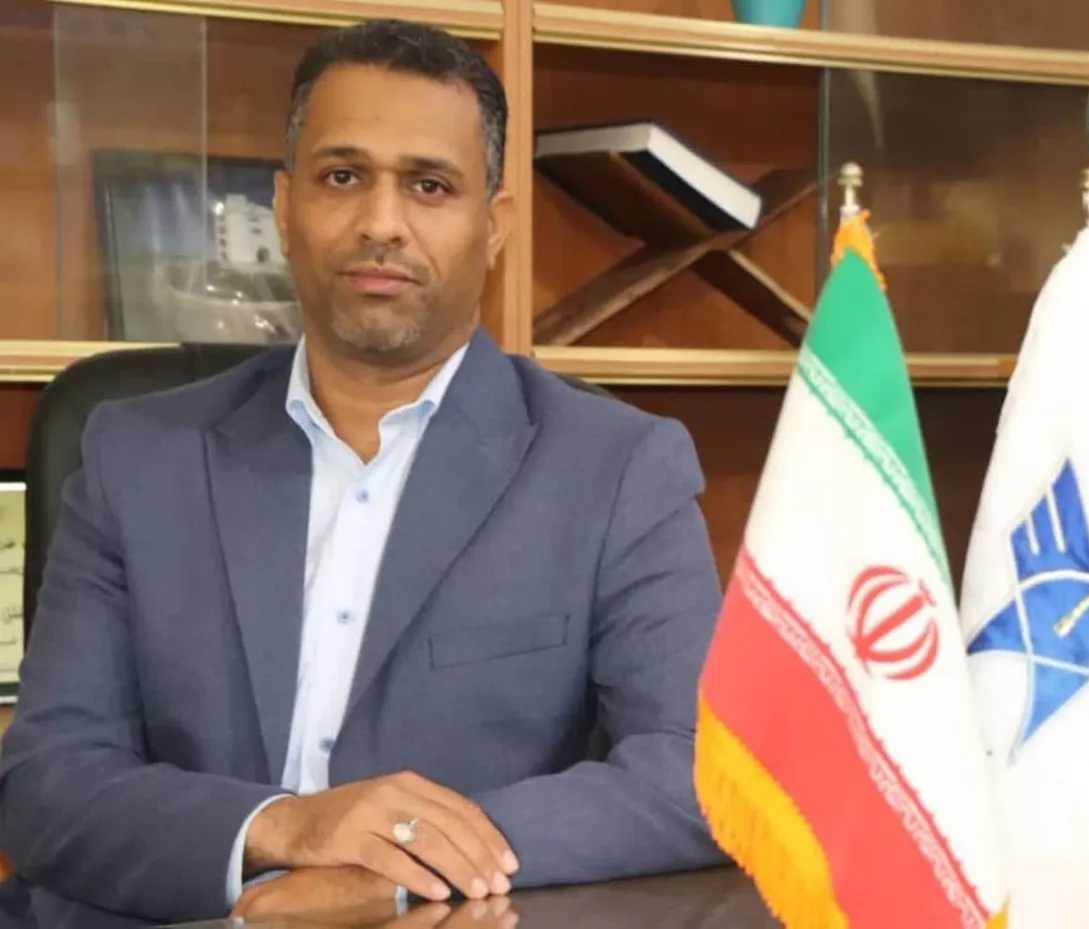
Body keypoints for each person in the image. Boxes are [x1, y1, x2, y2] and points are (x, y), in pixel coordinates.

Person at [0, 17, 728, 929]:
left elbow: (698, 771)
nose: (382, 223)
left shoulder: (616, 468)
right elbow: (48, 778)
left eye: (430, 185)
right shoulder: (135, 453)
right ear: (284, 206)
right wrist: (285, 827)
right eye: (343, 177)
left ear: (494, 226)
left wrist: (410, 862)